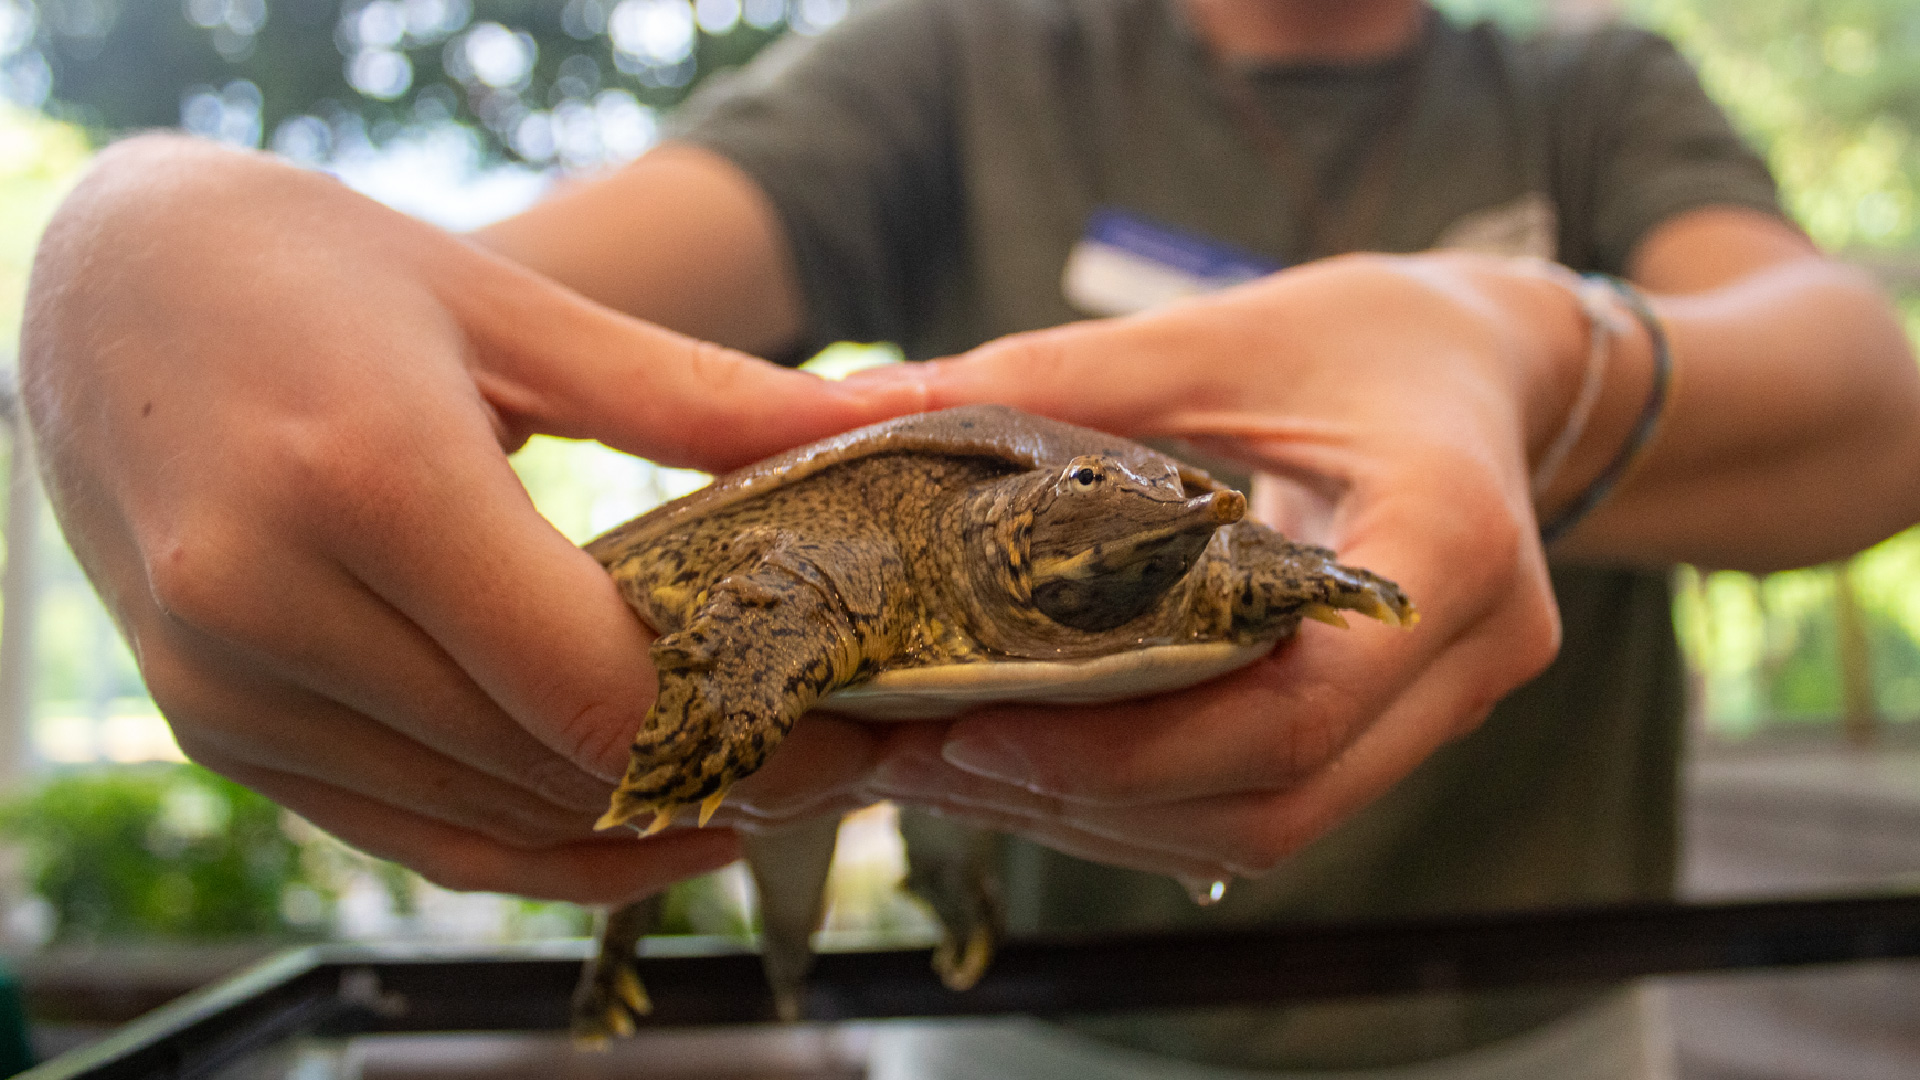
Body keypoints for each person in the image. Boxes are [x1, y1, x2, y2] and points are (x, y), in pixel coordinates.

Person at [20, 0, 1920, 1073]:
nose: (1168, 511)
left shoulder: (1589, 89)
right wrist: (160, 251)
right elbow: (440, 322)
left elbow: (1868, 416)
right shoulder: (949, 71)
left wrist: (1531, 349)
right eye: (1129, 495)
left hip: (1530, 1026)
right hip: (1026, 1029)